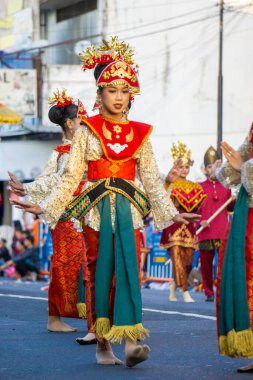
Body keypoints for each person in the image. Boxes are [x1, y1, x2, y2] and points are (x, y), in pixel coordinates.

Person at [10, 36, 200, 367]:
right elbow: (70, 178)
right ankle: (102, 344)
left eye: (125, 91)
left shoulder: (141, 133)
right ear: (99, 94)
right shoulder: (87, 131)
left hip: (130, 212)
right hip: (96, 212)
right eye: (112, 90)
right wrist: (45, 207)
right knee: (100, 273)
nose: (119, 97)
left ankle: (129, 341)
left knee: (130, 272)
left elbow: (152, 179)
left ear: (132, 95)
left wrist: (171, 212)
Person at [9, 89, 95, 339]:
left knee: (90, 266)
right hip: (67, 216)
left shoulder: (86, 150)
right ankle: (55, 317)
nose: (85, 124)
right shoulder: (61, 154)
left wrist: (27, 189)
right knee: (65, 266)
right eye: (81, 120)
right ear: (70, 124)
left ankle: (93, 316)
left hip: (90, 214)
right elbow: (53, 181)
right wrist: (27, 189)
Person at [214, 124, 253, 373]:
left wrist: (245, 167)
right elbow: (233, 168)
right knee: (246, 278)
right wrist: (234, 165)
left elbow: (244, 165)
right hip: (247, 214)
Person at [160, 141, 206, 303]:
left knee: (187, 262)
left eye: (187, 167)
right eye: (181, 167)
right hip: (173, 226)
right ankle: (185, 291)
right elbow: (162, 201)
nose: (184, 170)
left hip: (190, 227)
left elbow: (200, 207)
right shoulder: (169, 184)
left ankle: (174, 287)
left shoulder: (195, 187)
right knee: (177, 258)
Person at [198, 146, 233, 302]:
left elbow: (230, 209)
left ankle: (222, 290)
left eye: (216, 166)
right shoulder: (199, 188)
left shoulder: (226, 186)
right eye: (211, 166)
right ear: (205, 169)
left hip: (222, 230)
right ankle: (208, 291)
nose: (214, 169)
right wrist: (200, 221)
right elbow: (194, 210)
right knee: (206, 265)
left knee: (223, 264)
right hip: (205, 231)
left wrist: (234, 199)